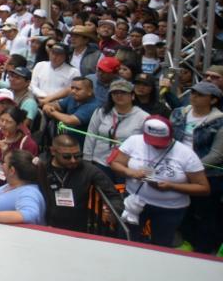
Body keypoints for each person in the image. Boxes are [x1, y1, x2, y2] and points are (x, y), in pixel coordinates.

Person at [111, 116, 210, 247]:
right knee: (127, 239)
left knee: (161, 245)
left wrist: (172, 186)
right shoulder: (134, 141)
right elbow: (115, 162)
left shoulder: (186, 154)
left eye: (161, 142)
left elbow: (203, 188)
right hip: (135, 201)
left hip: (169, 208)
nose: (156, 146)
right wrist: (131, 172)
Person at [170, 81, 223, 253]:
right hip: (178, 170)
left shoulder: (219, 122)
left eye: (200, 94)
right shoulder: (179, 113)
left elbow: (217, 154)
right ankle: (186, 243)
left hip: (208, 175)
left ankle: (205, 250)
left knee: (205, 214)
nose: (194, 96)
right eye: (193, 92)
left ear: (213, 100)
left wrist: (191, 169)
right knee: (182, 212)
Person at [39, 134, 123, 235]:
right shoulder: (41, 168)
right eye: (67, 157)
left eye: (78, 156)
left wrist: (114, 210)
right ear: (53, 151)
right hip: (45, 227)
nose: (73, 160)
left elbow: (113, 195)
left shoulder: (88, 170)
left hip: (77, 230)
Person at [84, 79, 149, 181]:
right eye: (115, 93)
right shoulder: (101, 112)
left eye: (123, 92)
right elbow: (91, 135)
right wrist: (87, 159)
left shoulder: (143, 117)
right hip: (100, 162)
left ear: (132, 95)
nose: (119, 95)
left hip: (126, 166)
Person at [0, 149, 46, 226]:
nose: (1, 165)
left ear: (12, 170)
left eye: (3, 162)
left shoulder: (29, 192)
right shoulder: (13, 184)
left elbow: (30, 215)